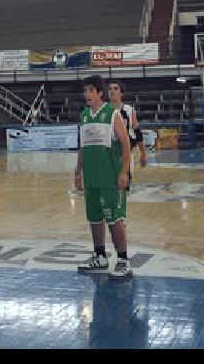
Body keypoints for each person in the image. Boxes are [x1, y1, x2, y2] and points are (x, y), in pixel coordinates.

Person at [75, 75, 133, 279]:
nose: (87, 94)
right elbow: (82, 147)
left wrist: (124, 171)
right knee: (94, 218)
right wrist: (77, 172)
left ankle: (124, 261)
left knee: (114, 218)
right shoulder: (83, 116)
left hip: (110, 177)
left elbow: (126, 144)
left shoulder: (112, 113)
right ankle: (100, 256)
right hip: (91, 177)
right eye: (85, 91)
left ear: (100, 93)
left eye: (91, 90)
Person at [107, 80, 148, 187]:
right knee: (108, 187)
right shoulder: (104, 110)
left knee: (124, 186)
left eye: (115, 88)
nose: (112, 91)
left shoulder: (129, 110)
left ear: (121, 93)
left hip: (125, 153)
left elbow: (137, 132)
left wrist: (143, 153)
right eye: (110, 89)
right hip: (108, 154)